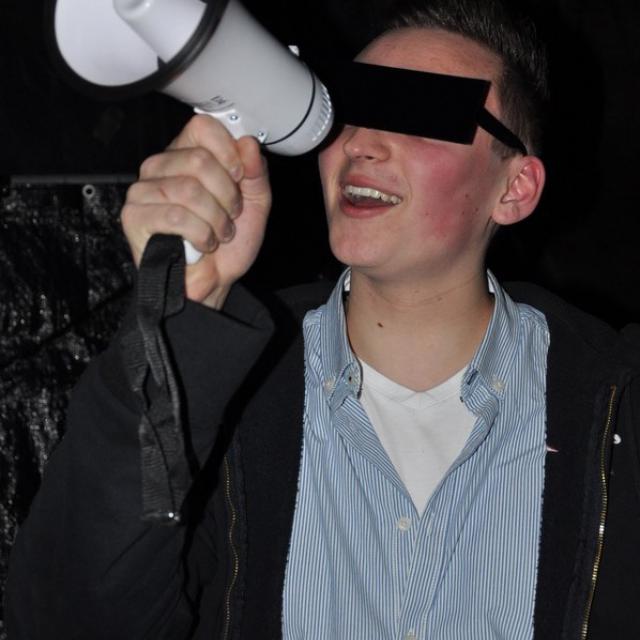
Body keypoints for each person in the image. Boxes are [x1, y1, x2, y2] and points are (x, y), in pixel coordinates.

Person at [5, 0, 640, 638]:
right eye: (351, 107)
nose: (359, 143)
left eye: (421, 113)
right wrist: (174, 327)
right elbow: (68, 618)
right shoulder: (231, 390)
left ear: (515, 188)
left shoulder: (618, 403)